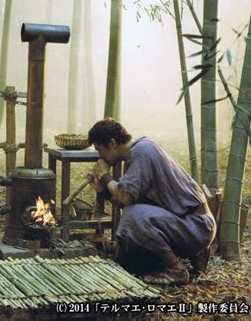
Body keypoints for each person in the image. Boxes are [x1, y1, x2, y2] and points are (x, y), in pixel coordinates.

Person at [88, 118, 216, 285]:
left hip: (197, 226)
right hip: (194, 224)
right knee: (134, 214)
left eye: (99, 150)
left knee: (133, 216)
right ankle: (195, 254)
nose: (99, 156)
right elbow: (127, 200)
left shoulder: (141, 152)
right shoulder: (142, 149)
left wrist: (105, 175)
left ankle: (176, 270)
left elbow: (125, 198)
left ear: (112, 143)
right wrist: (102, 190)